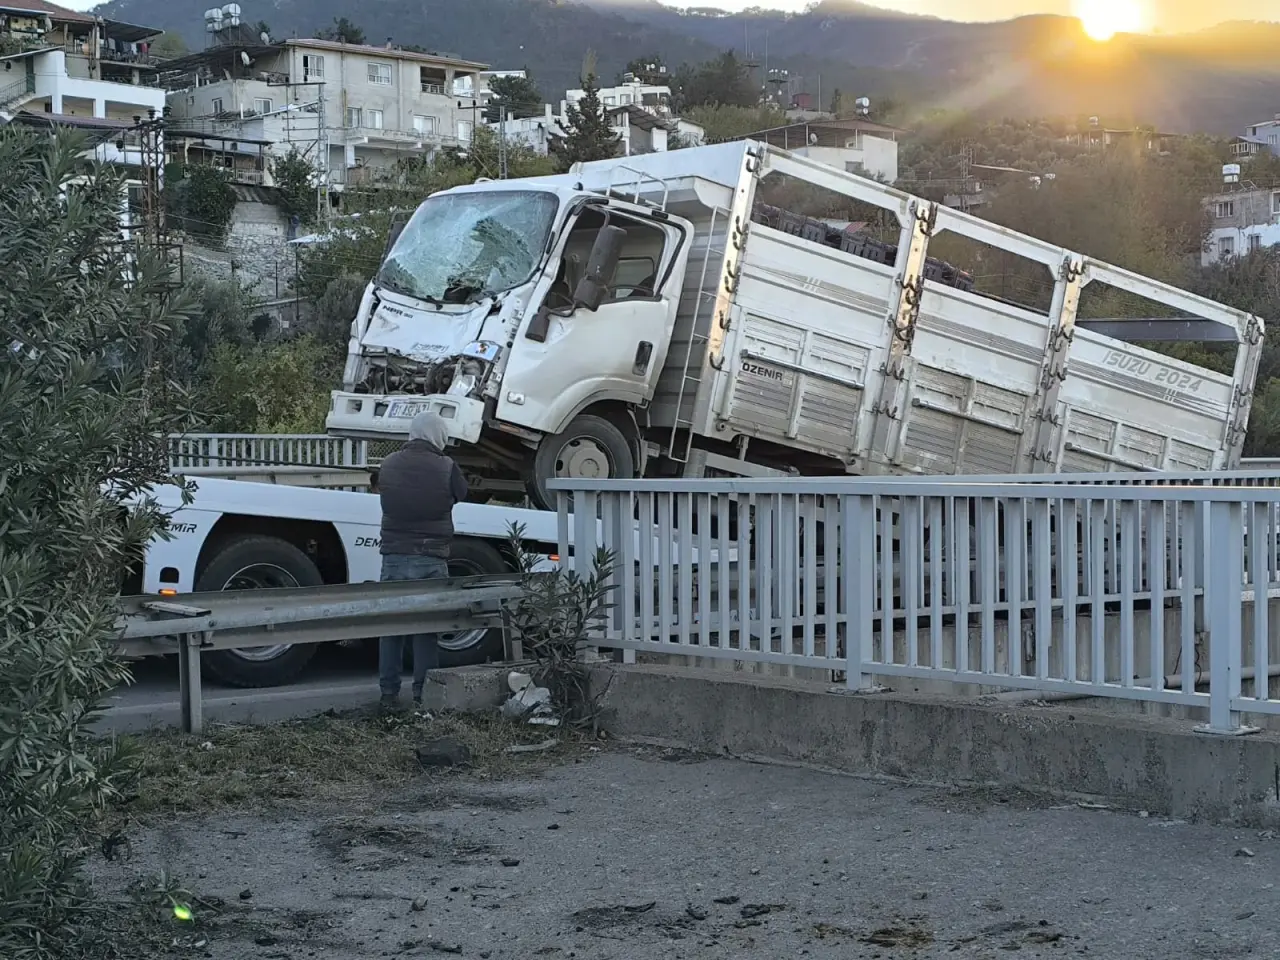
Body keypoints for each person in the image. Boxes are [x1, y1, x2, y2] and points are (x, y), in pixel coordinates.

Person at [376, 410, 468, 708]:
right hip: (430, 557)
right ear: (438, 435)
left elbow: (385, 496)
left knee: (391, 629)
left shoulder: (388, 464)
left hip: (393, 556)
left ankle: (388, 694)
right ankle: (422, 694)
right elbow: (462, 493)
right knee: (426, 630)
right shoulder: (447, 466)